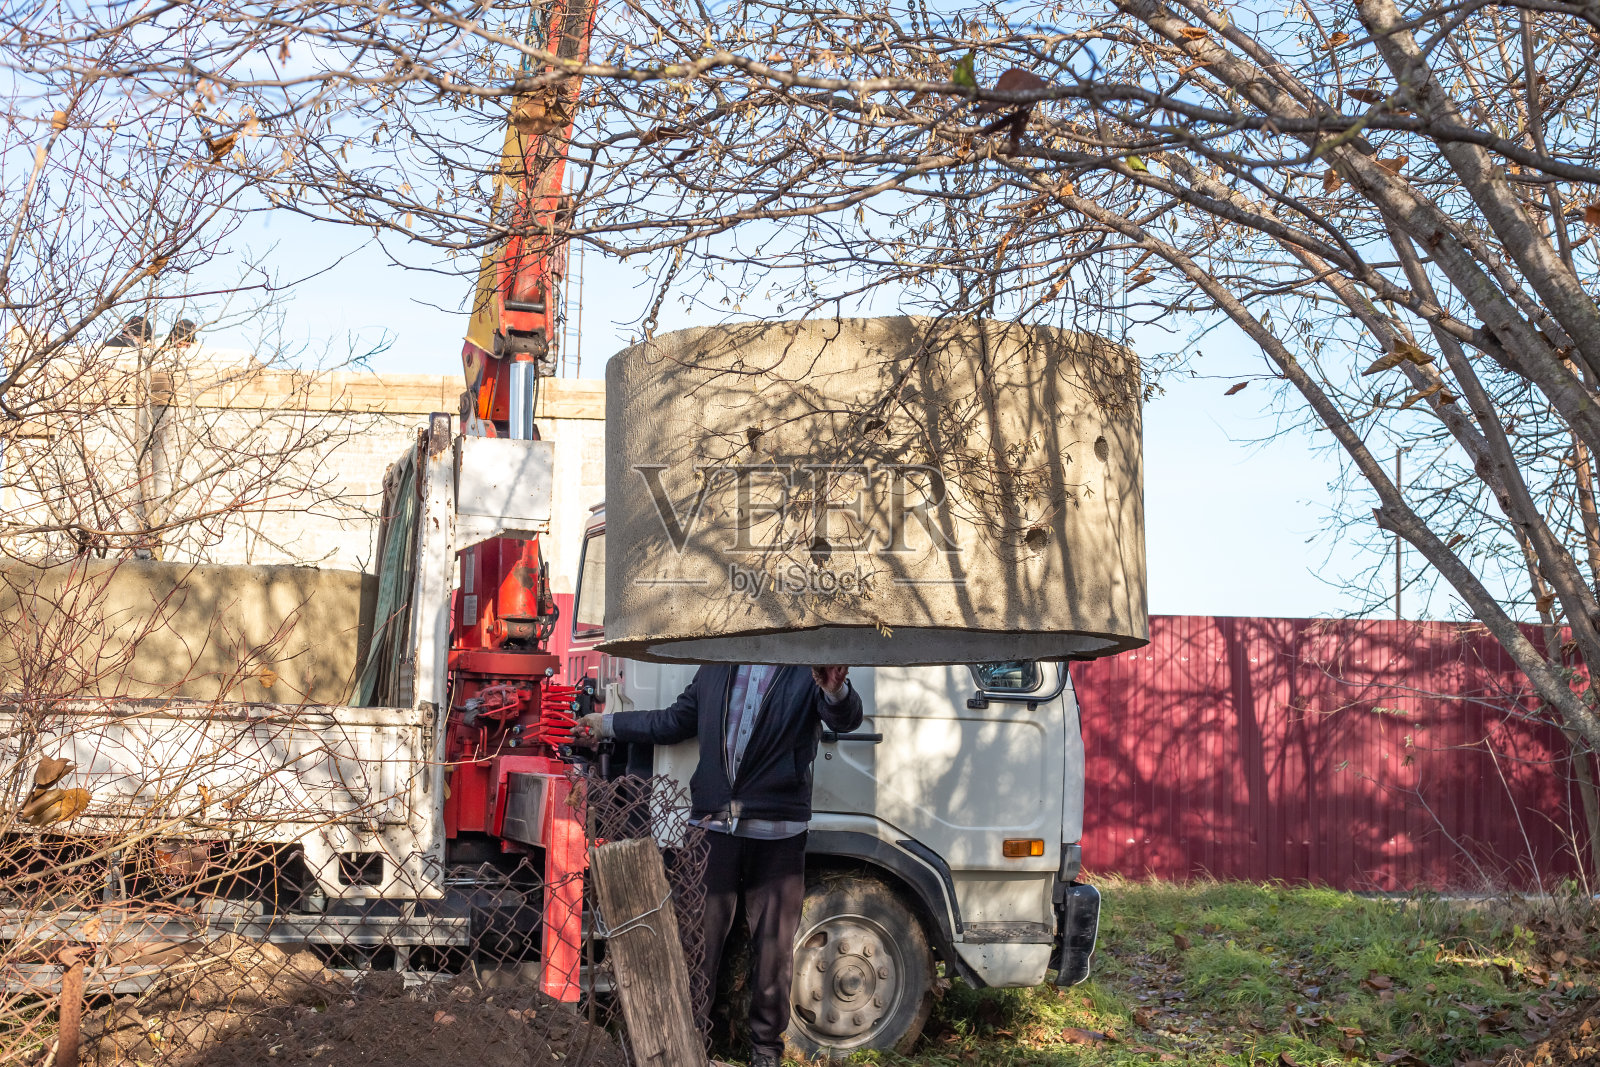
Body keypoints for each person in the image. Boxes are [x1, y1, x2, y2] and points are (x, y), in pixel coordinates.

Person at [575, 664, 862, 1067]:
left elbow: (844, 719)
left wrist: (836, 692)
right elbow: (674, 721)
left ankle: (766, 1051)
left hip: (779, 832)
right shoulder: (717, 664)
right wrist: (607, 725)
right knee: (698, 945)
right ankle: (692, 1044)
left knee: (773, 950)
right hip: (711, 827)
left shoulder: (805, 667)